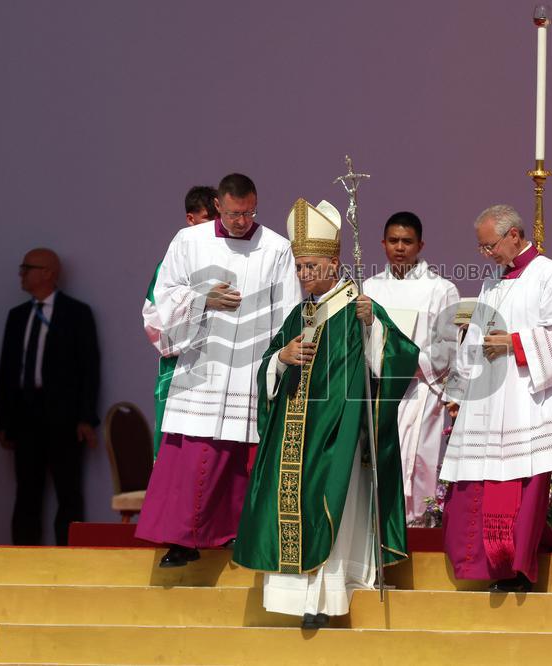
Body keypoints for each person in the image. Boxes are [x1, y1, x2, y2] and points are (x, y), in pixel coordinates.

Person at [233, 198, 419, 629]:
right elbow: (266, 368)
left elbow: (401, 359)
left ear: (335, 263)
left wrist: (374, 327)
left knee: (327, 504)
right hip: (294, 434)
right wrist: (282, 356)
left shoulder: (358, 308)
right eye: (299, 267)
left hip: (339, 435)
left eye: (311, 266)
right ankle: (291, 599)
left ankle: (327, 597)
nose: (303, 275)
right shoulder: (301, 313)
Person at [136, 173, 300, 567]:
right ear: (218, 206)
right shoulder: (188, 241)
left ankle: (234, 538)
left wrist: (279, 359)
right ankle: (181, 541)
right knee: (194, 455)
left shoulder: (276, 247)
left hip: (249, 369)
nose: (241, 221)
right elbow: (162, 299)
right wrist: (200, 299)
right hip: (202, 366)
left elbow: (289, 311)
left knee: (240, 456)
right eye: (232, 214)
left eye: (249, 213)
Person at [440, 204, 552, 593]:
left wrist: (514, 343)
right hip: (491, 401)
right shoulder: (493, 281)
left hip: (527, 401)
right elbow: (478, 336)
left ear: (514, 235)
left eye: (490, 246)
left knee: (520, 485)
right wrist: (461, 382)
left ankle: (514, 568)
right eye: (482, 248)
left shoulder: (551, 274)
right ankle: (480, 565)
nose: (486, 254)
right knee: (474, 485)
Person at [0, 248, 100, 546]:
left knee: (69, 492)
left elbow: (89, 368)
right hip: (25, 417)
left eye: (26, 268)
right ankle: (23, 560)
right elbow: (6, 371)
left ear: (48, 273)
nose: (21, 274)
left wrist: (85, 417)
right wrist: (3, 420)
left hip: (65, 419)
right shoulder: (17, 316)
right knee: (26, 492)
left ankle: (69, 560)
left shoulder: (77, 313)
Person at [363, 211, 460, 524]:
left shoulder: (440, 289)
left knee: (418, 460)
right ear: (383, 243)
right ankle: (381, 529)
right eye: (393, 241)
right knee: (380, 459)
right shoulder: (370, 288)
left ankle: (420, 525)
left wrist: (403, 360)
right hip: (380, 391)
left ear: (421, 245)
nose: (400, 247)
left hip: (421, 390)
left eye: (407, 241)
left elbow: (445, 349)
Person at [142, 186, 218, 455]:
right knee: (177, 463)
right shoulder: (171, 265)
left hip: (224, 375)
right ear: (190, 219)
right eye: (208, 219)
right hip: (180, 373)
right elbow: (154, 321)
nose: (215, 228)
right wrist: (200, 303)